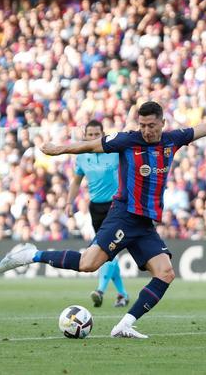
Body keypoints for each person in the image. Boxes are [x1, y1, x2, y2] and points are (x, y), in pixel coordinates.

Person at [0, 101, 206, 338]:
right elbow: (94, 144)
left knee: (165, 273)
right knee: (88, 264)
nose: (146, 130)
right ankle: (31, 255)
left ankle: (124, 325)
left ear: (162, 123)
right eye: (142, 124)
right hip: (123, 216)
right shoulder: (128, 140)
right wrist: (61, 149)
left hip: (145, 224)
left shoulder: (172, 140)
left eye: (151, 125)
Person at [66, 119, 129, 308]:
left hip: (115, 206)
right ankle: (122, 294)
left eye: (97, 135)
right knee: (108, 252)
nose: (93, 138)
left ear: (103, 135)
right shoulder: (82, 157)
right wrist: (70, 202)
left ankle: (100, 290)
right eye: (90, 135)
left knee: (107, 250)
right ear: (85, 136)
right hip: (95, 208)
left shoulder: (114, 152)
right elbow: (76, 181)